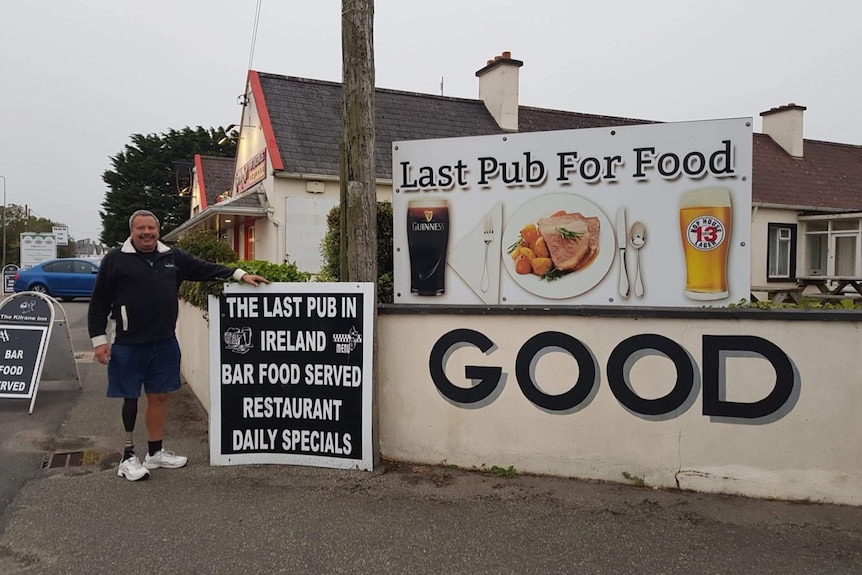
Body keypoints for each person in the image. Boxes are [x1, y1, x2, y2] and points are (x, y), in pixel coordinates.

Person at [88, 209, 269, 481]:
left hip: (163, 342)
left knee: (160, 396)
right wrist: (99, 340)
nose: (147, 233)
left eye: (151, 228)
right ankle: (127, 456)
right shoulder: (115, 259)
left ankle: (155, 452)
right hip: (128, 343)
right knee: (130, 397)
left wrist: (239, 274)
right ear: (132, 231)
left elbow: (205, 268)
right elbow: (99, 300)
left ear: (158, 231)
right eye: (141, 229)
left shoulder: (172, 257)